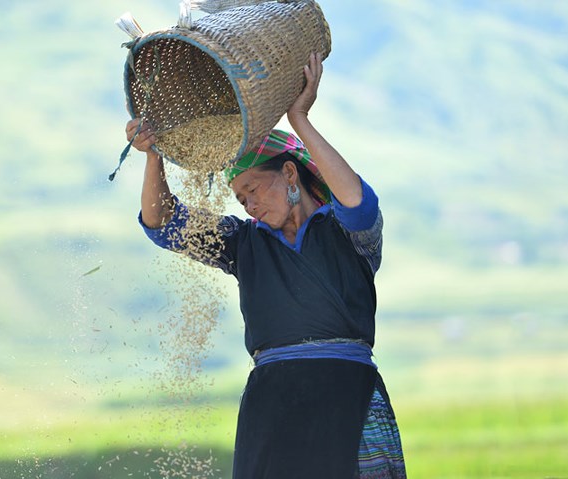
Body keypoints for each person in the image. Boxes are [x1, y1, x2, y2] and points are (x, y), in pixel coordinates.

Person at [125, 52, 406, 478]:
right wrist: (152, 156)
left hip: (348, 394)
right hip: (272, 405)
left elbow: (358, 201)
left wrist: (300, 120)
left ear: (290, 174)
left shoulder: (347, 233)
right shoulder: (243, 243)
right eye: (241, 199)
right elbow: (161, 223)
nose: (250, 205)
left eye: (253, 190)